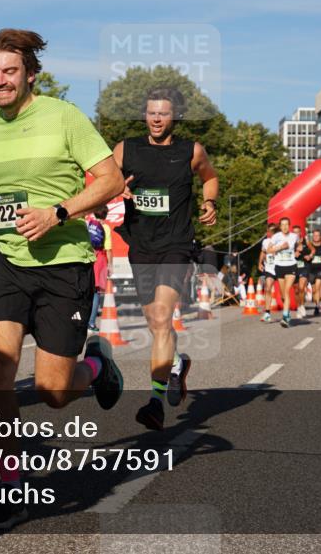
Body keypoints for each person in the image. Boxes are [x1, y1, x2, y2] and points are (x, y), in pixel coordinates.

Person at [0, 29, 125, 529]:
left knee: (54, 392)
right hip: (7, 261)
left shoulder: (64, 116)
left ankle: (98, 365)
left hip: (64, 264)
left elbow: (110, 180)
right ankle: (11, 483)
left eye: (8, 71)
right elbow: (1, 188)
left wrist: (58, 212)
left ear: (29, 75)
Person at [113, 86, 218, 431]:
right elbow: (105, 182)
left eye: (164, 113)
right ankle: (176, 365)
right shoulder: (126, 149)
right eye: (152, 112)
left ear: (175, 117)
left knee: (161, 314)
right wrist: (117, 188)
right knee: (156, 323)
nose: (157, 119)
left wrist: (209, 202)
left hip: (177, 243)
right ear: (144, 115)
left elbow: (210, 177)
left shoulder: (191, 151)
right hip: (141, 244)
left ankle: (155, 401)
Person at [267, 218, 300, 327]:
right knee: (282, 295)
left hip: (291, 265)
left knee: (286, 291)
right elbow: (268, 250)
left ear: (289, 226)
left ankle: (285, 317)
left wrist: (299, 250)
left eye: (287, 224)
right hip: (279, 266)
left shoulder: (294, 236)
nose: (285, 227)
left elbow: (298, 245)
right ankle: (288, 312)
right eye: (283, 225)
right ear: (280, 227)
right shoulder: (276, 237)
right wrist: (280, 247)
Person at [87, 206, 112, 333]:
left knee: (87, 291)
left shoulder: (88, 223)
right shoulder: (106, 228)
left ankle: (83, 320)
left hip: (88, 258)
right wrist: (110, 265)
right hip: (100, 260)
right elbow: (108, 249)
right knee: (96, 292)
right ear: (106, 215)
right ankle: (91, 323)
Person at [258, 223, 278, 322]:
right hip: (269, 268)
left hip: (280, 268)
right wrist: (260, 263)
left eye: (273, 231)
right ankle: (267, 313)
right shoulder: (265, 241)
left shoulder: (281, 241)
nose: (271, 233)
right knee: (268, 288)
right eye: (270, 231)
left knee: (283, 292)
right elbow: (263, 252)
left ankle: (286, 312)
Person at [305, 229, 321, 316]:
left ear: (320, 237)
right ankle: (316, 305)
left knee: (318, 287)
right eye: (314, 235)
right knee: (314, 290)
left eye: (317, 235)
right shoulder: (309, 245)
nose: (315, 237)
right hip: (311, 270)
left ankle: (318, 306)